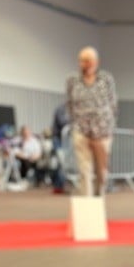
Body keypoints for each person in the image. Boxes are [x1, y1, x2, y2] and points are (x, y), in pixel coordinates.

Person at [65, 47, 117, 197]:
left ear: (96, 62)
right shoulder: (72, 80)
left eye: (88, 61)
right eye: (82, 61)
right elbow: (69, 103)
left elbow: (113, 104)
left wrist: (109, 127)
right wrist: (75, 122)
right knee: (84, 171)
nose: (85, 64)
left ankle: (99, 198)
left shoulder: (106, 79)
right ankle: (88, 205)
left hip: (103, 132)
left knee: (102, 174)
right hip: (81, 131)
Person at [48, 103, 70, 193]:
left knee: (63, 163)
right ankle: (58, 186)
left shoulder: (72, 110)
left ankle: (59, 185)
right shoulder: (61, 109)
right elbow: (62, 122)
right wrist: (74, 121)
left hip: (66, 139)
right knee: (59, 161)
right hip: (58, 139)